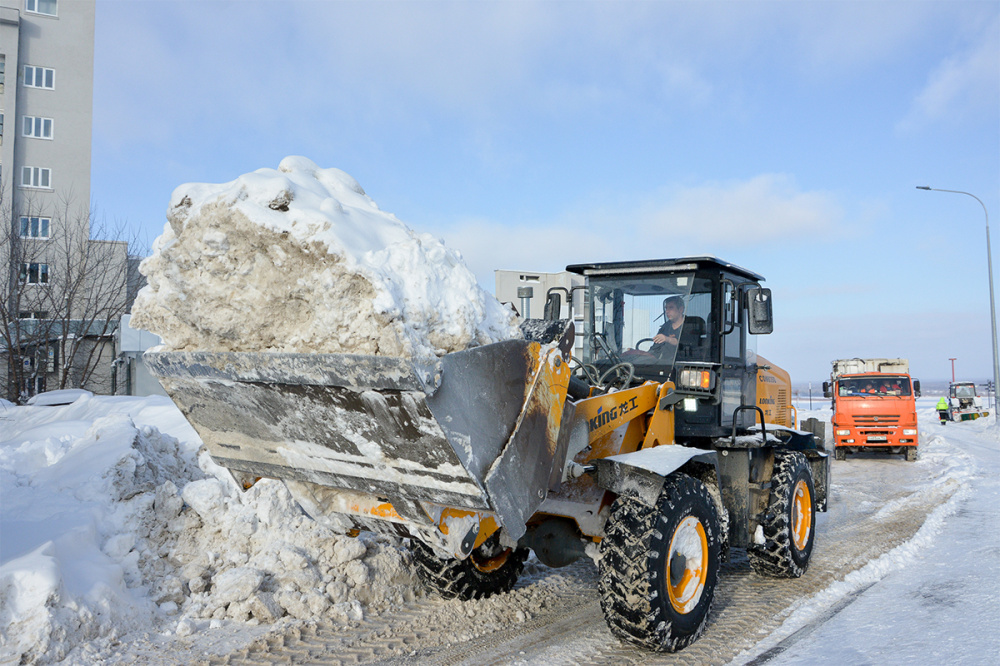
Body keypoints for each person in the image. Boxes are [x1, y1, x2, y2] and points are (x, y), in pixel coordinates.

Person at [649, 296, 706, 360]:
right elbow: (655, 349)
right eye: (666, 308)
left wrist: (668, 339)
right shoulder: (665, 328)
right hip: (666, 365)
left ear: (680, 309)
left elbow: (690, 342)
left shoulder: (692, 324)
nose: (667, 311)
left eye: (671, 308)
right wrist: (644, 355)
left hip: (687, 365)